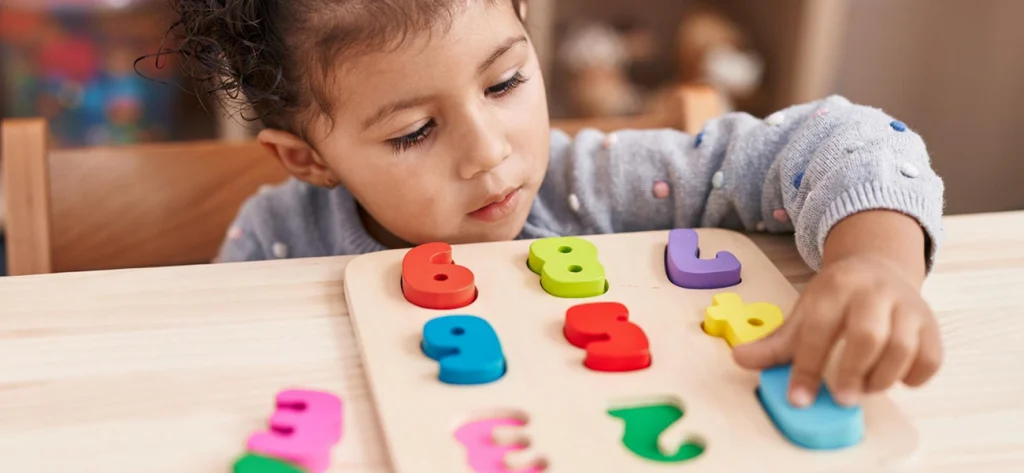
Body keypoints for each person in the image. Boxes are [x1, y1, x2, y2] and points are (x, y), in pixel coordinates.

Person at [154, 0, 945, 409]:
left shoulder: (595, 187)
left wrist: (875, 264)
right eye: (415, 131)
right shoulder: (276, 240)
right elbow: (220, 395)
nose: (491, 152)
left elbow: (848, 137)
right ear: (309, 158)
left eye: (504, 83)